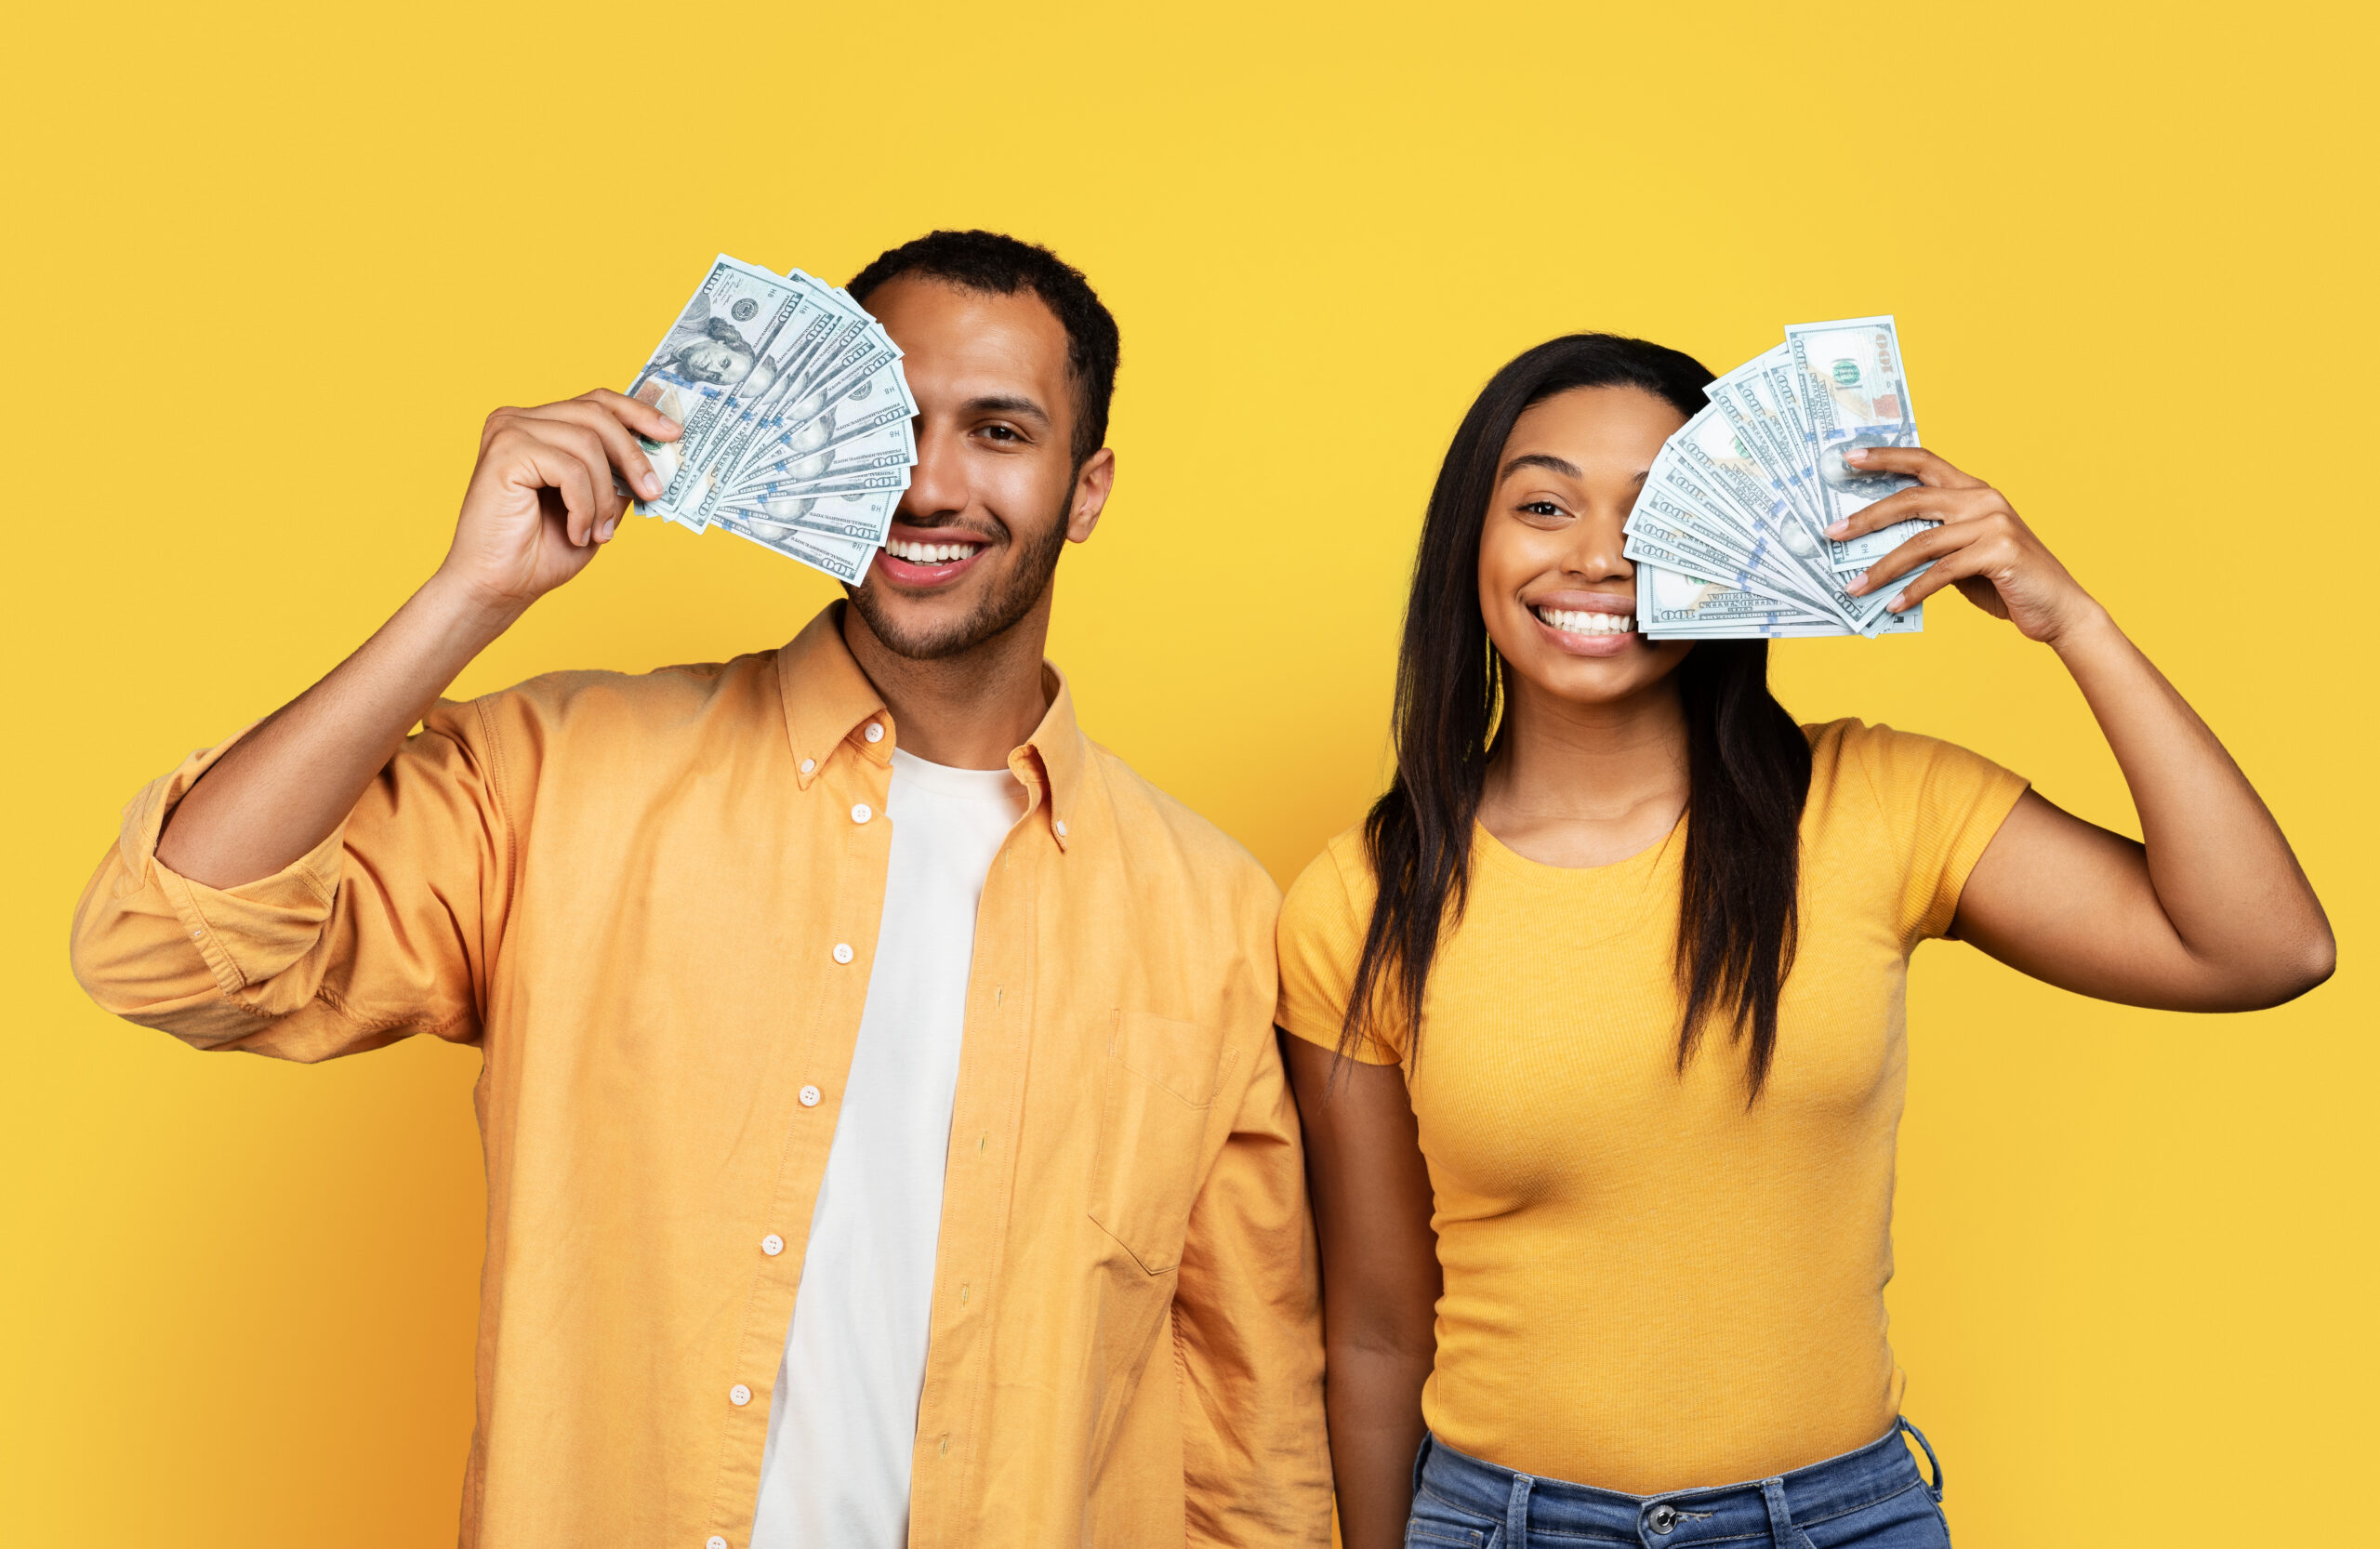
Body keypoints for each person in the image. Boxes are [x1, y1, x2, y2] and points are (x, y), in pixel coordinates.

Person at [70, 231, 1329, 1549]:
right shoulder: (566, 776)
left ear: (1086, 488)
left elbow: (1250, 1436)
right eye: (891, 422)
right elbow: (158, 945)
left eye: (1000, 430)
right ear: (812, 425)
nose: (930, 481)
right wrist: (468, 594)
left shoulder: (1212, 915)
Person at [1274, 334, 2334, 1549]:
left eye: (1664, 505)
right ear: (1473, 540)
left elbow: (2265, 946)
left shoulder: (1875, 803)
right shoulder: (1361, 897)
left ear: (1738, 538)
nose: (1600, 554)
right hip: (1502, 1522)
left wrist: (2070, 617)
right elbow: (1371, 1325)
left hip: (1838, 1520)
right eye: (1546, 503)